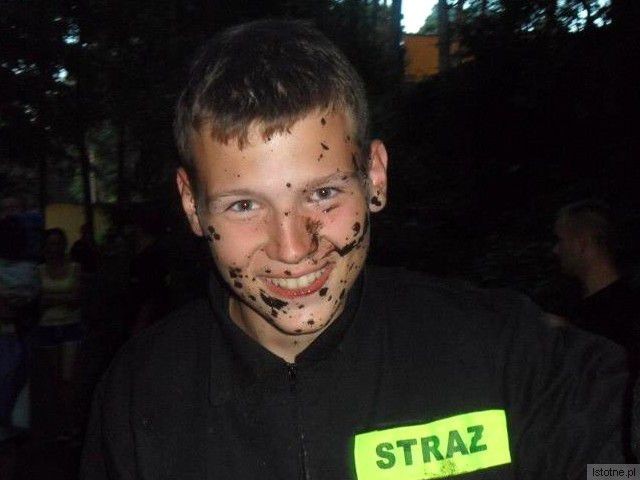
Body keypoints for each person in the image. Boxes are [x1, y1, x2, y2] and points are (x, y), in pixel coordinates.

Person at [81, 20, 631, 479]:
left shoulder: (506, 352)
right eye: (244, 205)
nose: (292, 249)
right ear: (192, 205)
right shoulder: (140, 395)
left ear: (375, 177)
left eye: (323, 194)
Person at [553, 200, 639, 360]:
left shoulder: (623, 317)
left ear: (581, 244)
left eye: (561, 240)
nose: (556, 250)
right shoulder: (576, 308)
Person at [31, 228, 83, 439]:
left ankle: (70, 422)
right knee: (55, 378)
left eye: (58, 243)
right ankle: (60, 422)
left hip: (70, 326)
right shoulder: (39, 271)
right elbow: (38, 302)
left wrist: (51, 299)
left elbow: (76, 299)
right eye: (51, 243)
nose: (55, 247)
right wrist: (63, 298)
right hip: (48, 327)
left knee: (68, 377)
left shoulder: (75, 268)